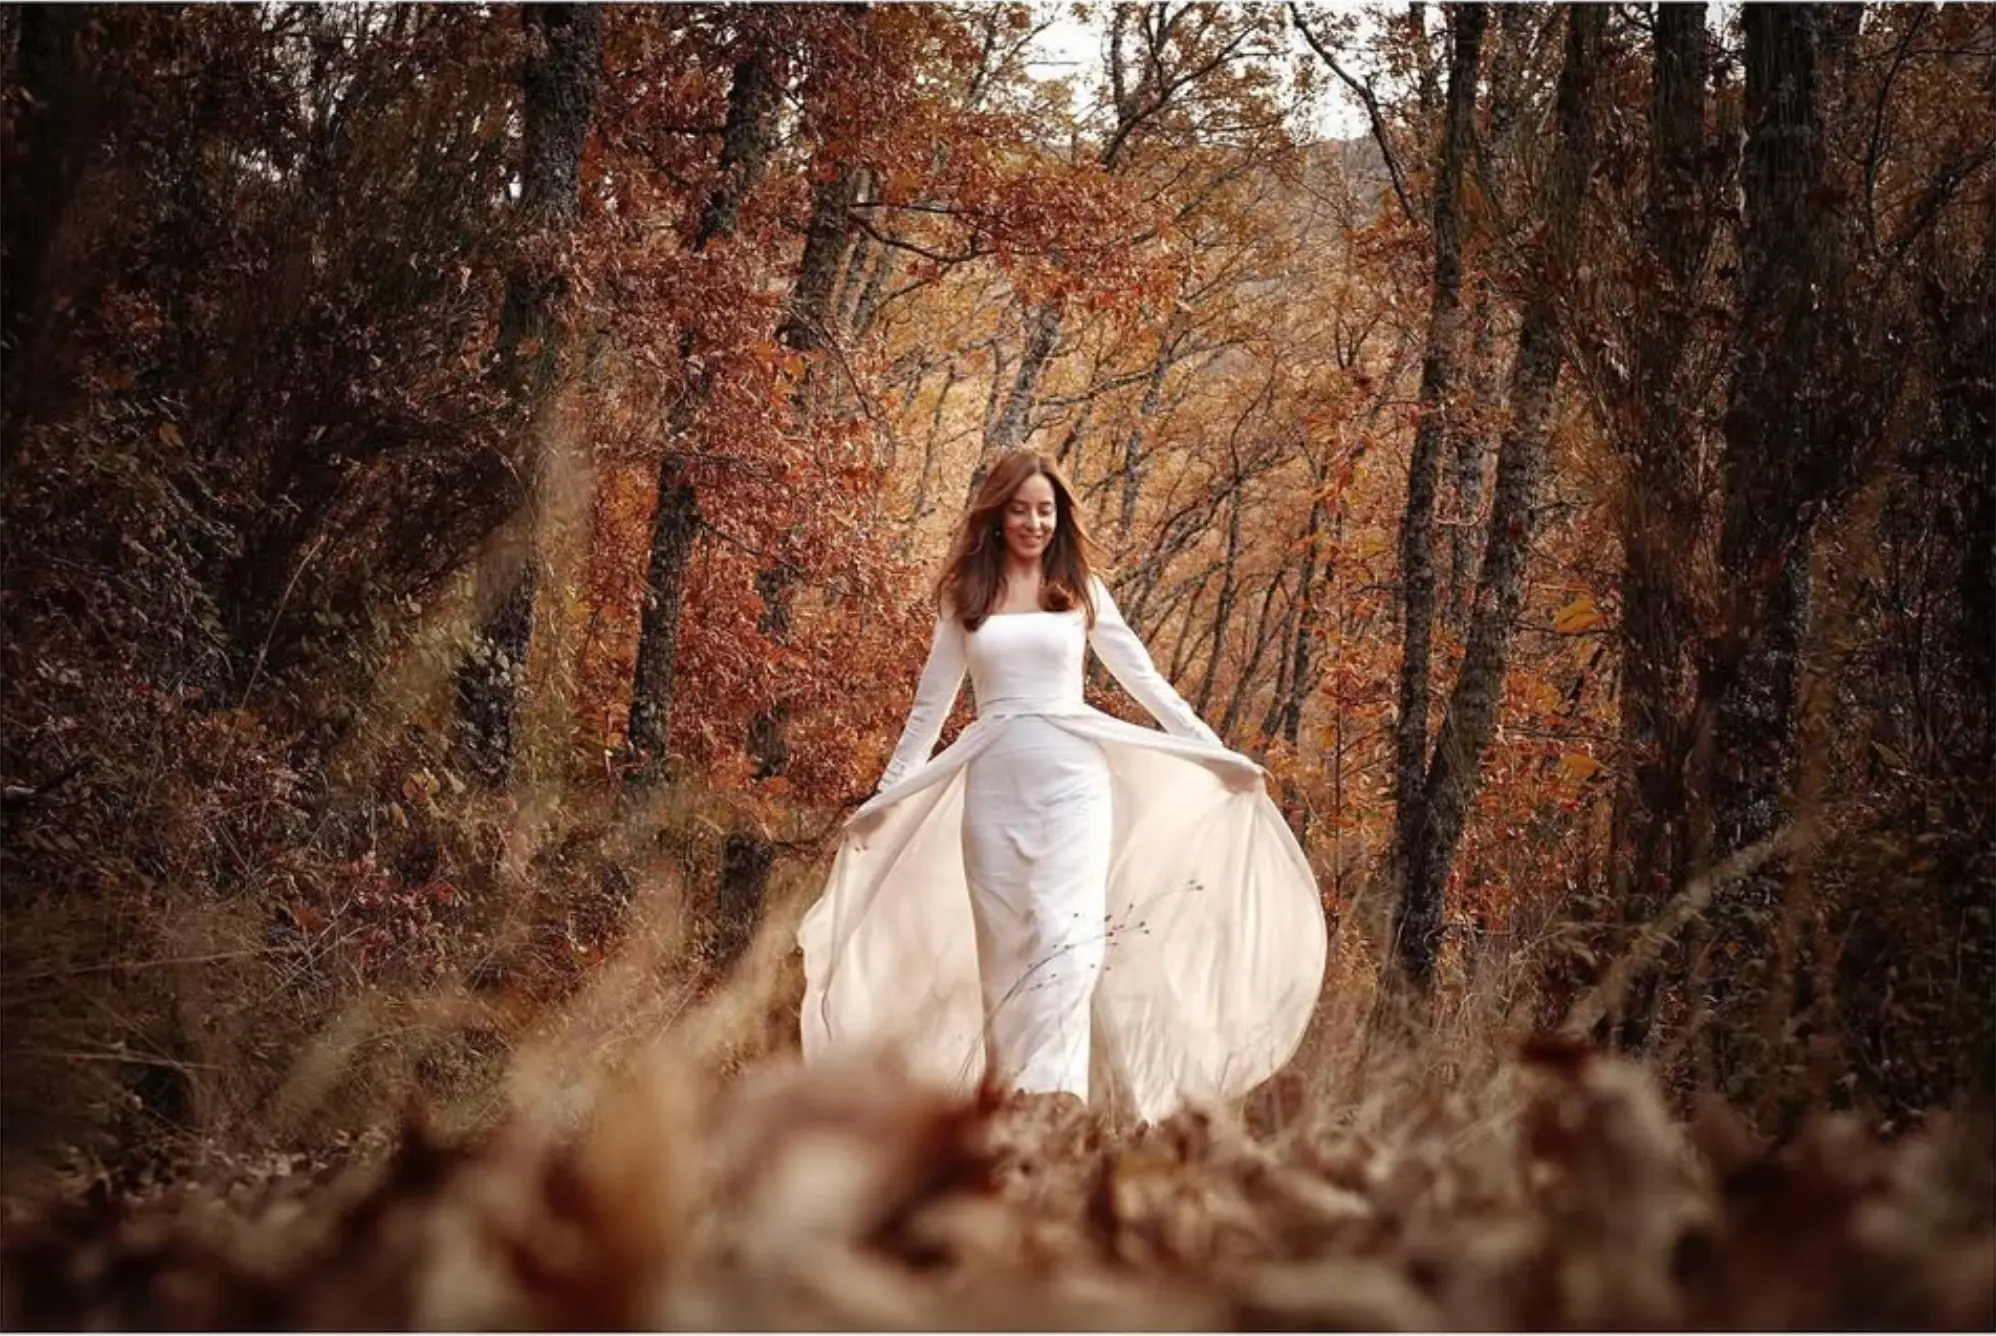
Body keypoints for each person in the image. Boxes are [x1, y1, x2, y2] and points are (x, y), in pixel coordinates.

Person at [797, 450, 1326, 1121]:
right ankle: (1006, 1106)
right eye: (1020, 508)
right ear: (997, 514)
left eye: (1045, 509)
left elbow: (1144, 679)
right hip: (992, 789)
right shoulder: (967, 597)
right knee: (1006, 952)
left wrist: (1212, 753)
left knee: (1067, 941)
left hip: (1075, 784)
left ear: (1059, 516)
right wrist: (887, 798)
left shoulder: (1079, 590)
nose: (1033, 522)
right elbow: (928, 711)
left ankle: (1056, 1106)